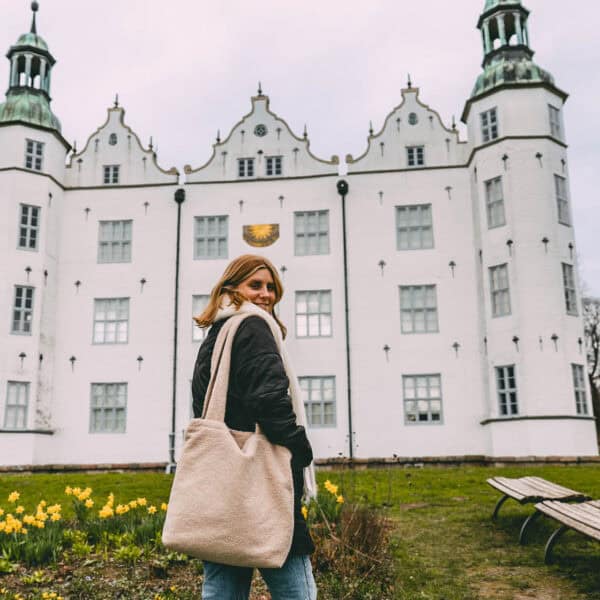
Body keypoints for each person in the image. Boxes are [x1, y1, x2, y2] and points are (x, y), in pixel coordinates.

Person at [192, 254, 318, 600]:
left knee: (222, 584)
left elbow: (204, 403)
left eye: (271, 287)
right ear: (233, 288)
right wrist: (300, 448)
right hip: (262, 479)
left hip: (223, 484)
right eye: (256, 285)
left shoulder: (218, 333)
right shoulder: (253, 327)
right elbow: (270, 400)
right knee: (296, 586)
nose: (266, 294)